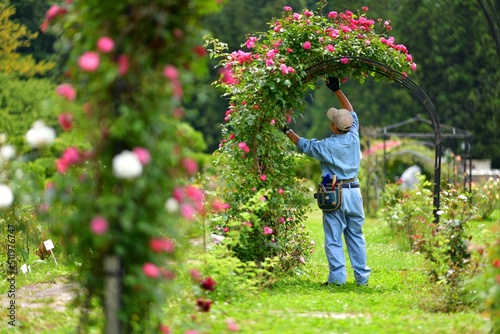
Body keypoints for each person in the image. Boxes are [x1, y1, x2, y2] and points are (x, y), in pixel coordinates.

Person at [282, 77, 371, 286]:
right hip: (354, 192)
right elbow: (350, 111)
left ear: (333, 127)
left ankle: (338, 280)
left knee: (333, 238)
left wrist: (286, 130)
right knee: (356, 236)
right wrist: (337, 90)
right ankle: (362, 279)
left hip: (335, 193)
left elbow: (302, 144)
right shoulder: (354, 134)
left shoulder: (325, 146)